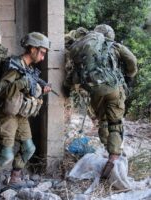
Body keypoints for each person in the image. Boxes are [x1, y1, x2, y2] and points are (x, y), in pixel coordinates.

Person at [0, 32, 52, 197]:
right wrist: (22, 82)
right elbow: (0, 90)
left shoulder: (29, 68)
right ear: (32, 48)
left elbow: (27, 92)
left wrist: (40, 90)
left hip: (20, 113)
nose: (43, 57)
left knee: (28, 148)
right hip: (7, 114)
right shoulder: (14, 65)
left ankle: (15, 179)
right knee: (6, 153)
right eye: (41, 52)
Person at [64, 24, 137, 178]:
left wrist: (67, 88)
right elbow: (131, 59)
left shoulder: (85, 47)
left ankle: (106, 150)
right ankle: (114, 157)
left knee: (103, 121)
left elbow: (73, 73)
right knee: (115, 123)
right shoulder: (113, 45)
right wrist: (130, 74)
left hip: (94, 90)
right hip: (113, 89)